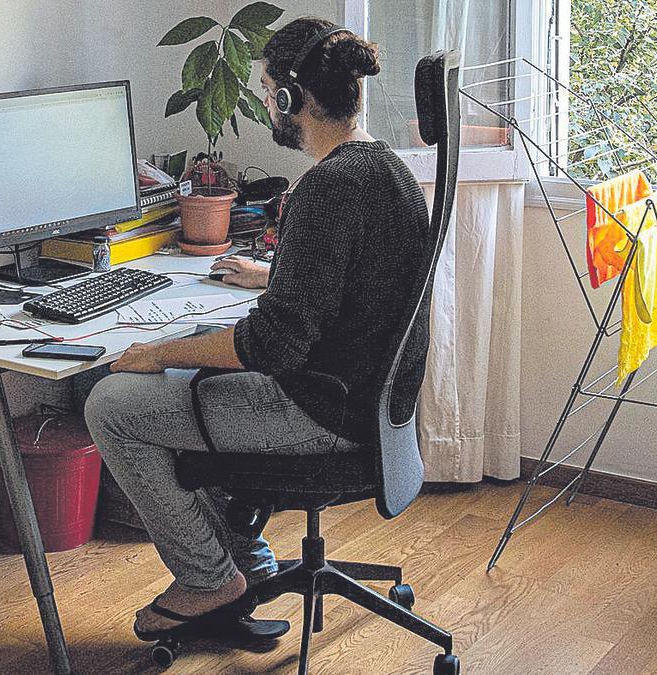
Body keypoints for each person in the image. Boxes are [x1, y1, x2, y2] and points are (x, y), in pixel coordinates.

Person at [83, 16, 432, 638]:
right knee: (181, 378)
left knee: (112, 403)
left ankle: (208, 579)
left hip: (321, 413)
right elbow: (359, 289)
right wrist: (274, 279)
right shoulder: (388, 173)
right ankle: (242, 561)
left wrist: (160, 352)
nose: (266, 101)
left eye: (268, 89)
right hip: (373, 408)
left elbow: (271, 345)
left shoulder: (327, 190)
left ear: (290, 100)